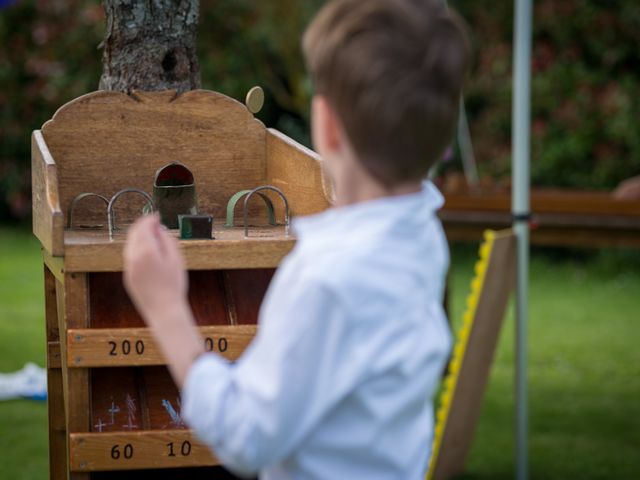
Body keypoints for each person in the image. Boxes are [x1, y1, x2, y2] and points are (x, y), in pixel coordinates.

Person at [123, 0, 469, 478]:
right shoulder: (421, 235)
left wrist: (165, 310)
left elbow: (245, 437)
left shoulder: (325, 278)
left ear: (326, 126)